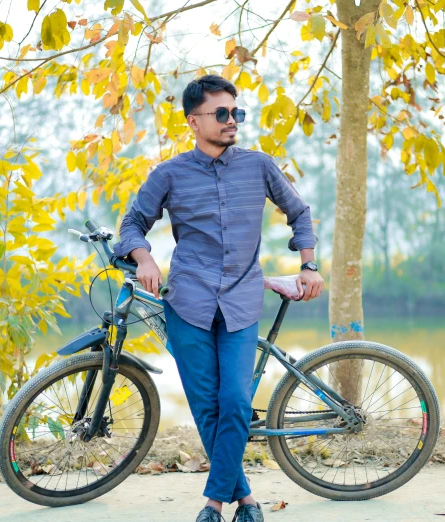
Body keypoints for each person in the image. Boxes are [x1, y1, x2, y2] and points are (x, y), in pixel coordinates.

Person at [113, 74, 324, 522]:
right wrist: (144, 257)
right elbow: (131, 224)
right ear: (193, 121)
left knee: (234, 403)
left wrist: (309, 264)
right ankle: (245, 501)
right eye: (222, 113)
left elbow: (299, 211)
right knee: (207, 404)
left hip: (242, 300)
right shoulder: (168, 174)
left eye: (236, 112)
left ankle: (213, 502)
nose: (233, 121)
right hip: (187, 301)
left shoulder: (259, 165)